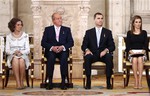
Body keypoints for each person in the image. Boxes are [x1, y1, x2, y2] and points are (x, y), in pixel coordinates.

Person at [81, 12, 115, 89]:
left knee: (109, 57)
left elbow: (112, 46)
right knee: (87, 57)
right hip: (93, 54)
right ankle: (88, 81)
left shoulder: (108, 32)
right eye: (98, 18)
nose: (100, 20)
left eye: (101, 18)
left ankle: (108, 81)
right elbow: (84, 45)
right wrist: (87, 50)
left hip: (103, 54)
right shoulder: (89, 32)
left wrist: (106, 50)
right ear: (94, 20)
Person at [41, 12, 74, 90]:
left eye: (60, 18)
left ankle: (63, 81)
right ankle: (50, 81)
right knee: (51, 58)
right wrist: (52, 47)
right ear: (53, 20)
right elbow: (43, 42)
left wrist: (63, 47)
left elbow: (71, 42)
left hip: (63, 51)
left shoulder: (66, 29)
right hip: (51, 51)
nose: (60, 20)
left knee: (64, 58)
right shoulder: (48, 29)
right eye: (58, 18)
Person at [5, 18, 30, 89]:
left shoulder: (25, 35)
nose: (20, 26)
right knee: (15, 60)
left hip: (23, 55)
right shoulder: (9, 36)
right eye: (18, 25)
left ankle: (21, 81)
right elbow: (7, 50)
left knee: (21, 60)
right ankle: (18, 83)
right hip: (12, 55)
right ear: (13, 26)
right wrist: (14, 52)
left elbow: (27, 50)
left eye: (21, 25)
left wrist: (21, 52)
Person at [125, 15, 148, 89]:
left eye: (139, 22)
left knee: (140, 58)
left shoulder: (144, 33)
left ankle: (140, 80)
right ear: (133, 23)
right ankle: (136, 80)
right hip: (132, 53)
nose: (138, 24)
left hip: (142, 52)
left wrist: (143, 51)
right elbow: (128, 46)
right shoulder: (129, 33)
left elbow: (145, 45)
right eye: (136, 22)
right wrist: (131, 52)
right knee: (135, 59)